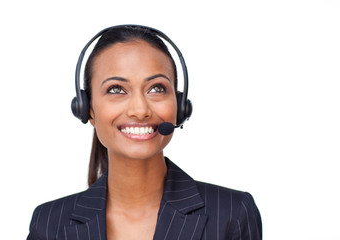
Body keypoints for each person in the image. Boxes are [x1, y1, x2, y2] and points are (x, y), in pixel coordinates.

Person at [27, 25, 262, 240]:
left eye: (157, 88)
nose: (140, 110)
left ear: (180, 107)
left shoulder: (232, 213)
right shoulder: (48, 224)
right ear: (87, 109)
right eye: (116, 89)